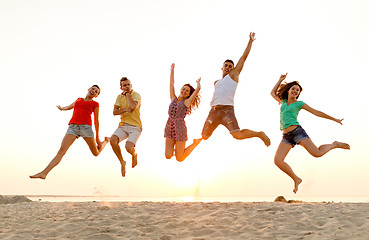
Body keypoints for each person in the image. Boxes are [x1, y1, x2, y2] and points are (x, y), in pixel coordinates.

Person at [271, 73, 350, 193]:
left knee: (317, 153)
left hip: (297, 132)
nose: (295, 91)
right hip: (286, 136)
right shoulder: (282, 101)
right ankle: (296, 179)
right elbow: (272, 93)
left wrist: (335, 119)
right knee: (278, 161)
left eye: (297, 90)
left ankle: (334, 144)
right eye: (293, 89)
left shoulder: (299, 104)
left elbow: (317, 112)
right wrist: (279, 80)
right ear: (288, 90)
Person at [201, 32, 270, 146]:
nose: (228, 67)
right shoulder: (216, 82)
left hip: (226, 110)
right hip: (213, 111)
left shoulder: (233, 75)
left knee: (237, 135)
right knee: (204, 136)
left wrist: (250, 42)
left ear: (233, 69)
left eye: (230, 66)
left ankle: (259, 134)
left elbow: (244, 57)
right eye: (226, 66)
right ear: (222, 67)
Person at [30, 85, 109, 179]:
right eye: (92, 89)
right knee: (61, 151)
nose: (93, 91)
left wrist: (97, 137)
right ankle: (44, 173)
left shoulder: (95, 104)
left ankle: (106, 141)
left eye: (96, 91)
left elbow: (96, 121)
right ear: (88, 89)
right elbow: (69, 107)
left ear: (96, 95)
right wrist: (62, 108)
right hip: (73, 128)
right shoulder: (78, 100)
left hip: (86, 128)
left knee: (96, 153)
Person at [165, 63, 202, 162]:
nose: (185, 91)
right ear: (181, 89)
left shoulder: (186, 102)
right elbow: (171, 84)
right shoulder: (173, 98)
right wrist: (172, 70)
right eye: (184, 89)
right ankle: (177, 148)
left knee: (180, 158)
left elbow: (197, 90)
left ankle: (195, 143)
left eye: (187, 91)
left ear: (189, 94)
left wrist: (198, 84)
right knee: (168, 155)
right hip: (169, 127)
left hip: (180, 129)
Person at [110, 77, 142, 177]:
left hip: (135, 127)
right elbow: (114, 112)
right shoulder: (119, 97)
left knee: (128, 148)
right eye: (124, 85)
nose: (127, 86)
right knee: (112, 140)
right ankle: (122, 162)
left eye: (128, 84)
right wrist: (126, 109)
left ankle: (134, 154)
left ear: (131, 85)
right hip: (123, 126)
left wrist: (128, 94)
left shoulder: (136, 95)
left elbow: (133, 107)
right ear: (121, 88)